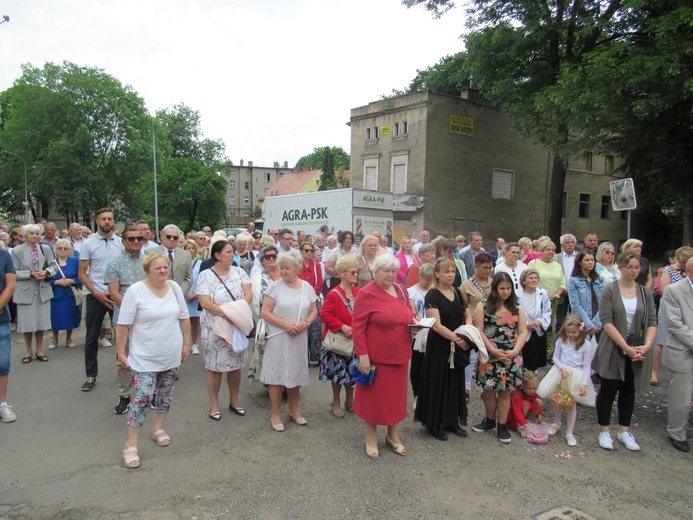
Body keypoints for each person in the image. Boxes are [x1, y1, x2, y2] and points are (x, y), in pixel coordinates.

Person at [117, 252, 191, 469]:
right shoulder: (135, 291)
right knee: (143, 397)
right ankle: (130, 446)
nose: (163, 271)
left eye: (165, 267)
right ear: (147, 271)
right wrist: (121, 353)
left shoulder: (175, 288)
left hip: (170, 354)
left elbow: (184, 318)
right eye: (157, 268)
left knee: (165, 393)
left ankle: (158, 428)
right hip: (144, 356)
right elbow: (123, 325)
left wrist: (186, 345)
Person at [352, 254, 416, 459]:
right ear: (375, 272)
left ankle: (392, 435)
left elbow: (407, 314)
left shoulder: (400, 290)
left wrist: (416, 321)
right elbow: (357, 327)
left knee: (396, 400)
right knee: (373, 400)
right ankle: (371, 437)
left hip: (400, 355)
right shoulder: (366, 293)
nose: (390, 275)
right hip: (376, 358)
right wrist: (363, 355)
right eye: (386, 271)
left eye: (393, 271)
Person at [592, 251, 657, 451]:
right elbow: (607, 321)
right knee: (608, 390)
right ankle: (604, 431)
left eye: (637, 267)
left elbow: (653, 321)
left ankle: (624, 431)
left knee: (629, 390)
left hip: (637, 347)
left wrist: (645, 345)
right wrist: (626, 347)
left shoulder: (644, 293)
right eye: (630, 267)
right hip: (614, 346)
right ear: (620, 267)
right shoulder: (610, 290)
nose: (634, 271)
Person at [415, 259, 472, 440]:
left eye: (453, 272)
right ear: (437, 274)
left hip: (457, 342)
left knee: (454, 382)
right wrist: (457, 338)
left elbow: (467, 313)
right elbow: (436, 325)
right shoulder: (432, 295)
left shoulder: (457, 291)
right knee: (438, 382)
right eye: (446, 272)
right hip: (440, 345)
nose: (450, 275)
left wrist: (467, 334)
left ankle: (452, 421)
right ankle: (435, 423)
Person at [260, 253, 318, 432]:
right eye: (281, 267)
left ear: (297, 269)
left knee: (295, 374)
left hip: (299, 336)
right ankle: (276, 414)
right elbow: (265, 312)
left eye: (287, 268)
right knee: (276, 376)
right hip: (279, 337)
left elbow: (314, 310)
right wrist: (285, 325)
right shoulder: (274, 287)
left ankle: (293, 410)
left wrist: (305, 324)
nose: (283, 271)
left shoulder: (307, 287)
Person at [197, 239, 252, 421]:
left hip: (235, 326)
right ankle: (214, 404)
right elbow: (204, 302)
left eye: (232, 251)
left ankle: (234, 401)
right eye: (228, 252)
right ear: (217, 256)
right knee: (214, 367)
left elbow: (249, 294)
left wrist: (236, 313)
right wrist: (227, 313)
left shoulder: (240, 272)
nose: (232, 255)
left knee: (235, 366)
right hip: (214, 327)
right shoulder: (205, 275)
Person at [472, 272, 528, 443]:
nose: (505, 292)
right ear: (495, 289)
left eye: (508, 288)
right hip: (490, 356)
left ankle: (501, 425)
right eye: (502, 288)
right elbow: (479, 330)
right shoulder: (483, 306)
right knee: (488, 392)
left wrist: (515, 351)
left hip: (511, 357)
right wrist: (492, 351)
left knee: (505, 392)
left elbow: (523, 331)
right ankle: (489, 420)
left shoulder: (517, 308)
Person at [78, 208, 124, 391]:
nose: (107, 221)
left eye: (110, 219)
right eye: (103, 219)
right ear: (97, 221)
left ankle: (123, 370)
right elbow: (81, 273)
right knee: (91, 337)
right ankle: (91, 375)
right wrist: (95, 292)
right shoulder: (88, 244)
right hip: (96, 295)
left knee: (123, 335)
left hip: (117, 295)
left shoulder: (121, 243)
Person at [105, 227, 146, 415]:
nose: (136, 242)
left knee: (148, 355)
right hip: (124, 318)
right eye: (131, 239)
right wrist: (132, 310)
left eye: (139, 238)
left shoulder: (150, 261)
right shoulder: (115, 263)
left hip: (148, 317)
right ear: (123, 241)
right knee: (123, 357)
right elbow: (114, 292)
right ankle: (124, 395)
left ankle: (147, 393)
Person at [537, 314, 596, 447]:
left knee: (571, 404)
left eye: (574, 332)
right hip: (560, 372)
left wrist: (584, 384)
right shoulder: (561, 341)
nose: (570, 335)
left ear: (581, 330)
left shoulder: (586, 345)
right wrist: (561, 367)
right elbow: (556, 357)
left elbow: (587, 365)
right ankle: (556, 422)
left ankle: (569, 432)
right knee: (557, 399)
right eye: (568, 332)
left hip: (576, 375)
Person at [319, 256, 360, 418]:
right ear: (342, 274)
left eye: (357, 272)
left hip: (355, 340)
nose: (356, 275)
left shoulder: (358, 292)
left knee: (352, 371)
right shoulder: (334, 294)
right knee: (337, 373)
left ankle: (350, 401)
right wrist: (342, 327)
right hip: (338, 340)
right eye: (352, 272)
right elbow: (325, 315)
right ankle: (335, 401)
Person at [11, 224, 57, 364]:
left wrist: (46, 272)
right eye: (32, 233)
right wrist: (29, 274)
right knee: (27, 323)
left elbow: (54, 265)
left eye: (37, 234)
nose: (35, 236)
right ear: (25, 235)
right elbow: (13, 271)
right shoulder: (17, 251)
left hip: (42, 290)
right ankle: (28, 350)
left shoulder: (45, 248)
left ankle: (39, 350)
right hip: (26, 290)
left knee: (40, 322)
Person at [661, 256, 693, 452]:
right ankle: (677, 432)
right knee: (681, 397)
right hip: (683, 351)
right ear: (689, 271)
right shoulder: (674, 291)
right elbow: (674, 324)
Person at [651, 246, 693, 386]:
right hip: (669, 307)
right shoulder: (668, 270)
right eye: (682, 260)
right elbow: (664, 291)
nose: (683, 263)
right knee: (662, 340)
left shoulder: (689, 272)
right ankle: (655, 372)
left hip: (687, 309)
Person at [460, 252, 494, 394]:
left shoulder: (494, 283)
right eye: (484, 267)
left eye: (490, 268)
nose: (487, 271)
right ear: (476, 266)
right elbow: (463, 306)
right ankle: (466, 386)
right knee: (473, 357)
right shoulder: (466, 285)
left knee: (487, 356)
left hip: (491, 325)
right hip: (474, 325)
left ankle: (484, 386)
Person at [248, 245, 281, 382]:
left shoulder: (286, 274)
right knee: (269, 354)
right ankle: (272, 382)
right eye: (268, 257)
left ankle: (287, 384)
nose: (272, 259)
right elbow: (254, 302)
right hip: (267, 322)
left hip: (288, 320)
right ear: (263, 260)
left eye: (274, 256)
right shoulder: (257, 279)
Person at [407, 263, 434, 411]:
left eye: (431, 279)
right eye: (426, 279)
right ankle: (417, 394)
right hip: (419, 332)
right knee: (417, 364)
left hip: (434, 331)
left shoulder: (435, 291)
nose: (428, 282)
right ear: (419, 276)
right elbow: (412, 311)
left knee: (431, 364)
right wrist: (421, 322)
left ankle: (429, 394)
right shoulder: (411, 292)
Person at [529, 240, 566, 338]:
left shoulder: (557, 265)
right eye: (548, 250)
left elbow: (562, 283)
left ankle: (549, 350)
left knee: (550, 325)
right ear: (541, 250)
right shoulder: (534, 263)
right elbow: (529, 280)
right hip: (537, 298)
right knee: (536, 323)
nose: (551, 252)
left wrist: (557, 295)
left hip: (554, 300)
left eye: (553, 250)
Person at [48, 239, 81, 349]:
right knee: (55, 317)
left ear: (69, 250)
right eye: (60, 248)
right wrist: (56, 282)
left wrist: (71, 281)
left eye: (65, 248)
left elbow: (80, 277)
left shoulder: (75, 262)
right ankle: (54, 339)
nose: (62, 250)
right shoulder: (51, 262)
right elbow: (46, 279)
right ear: (56, 250)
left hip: (69, 294)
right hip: (55, 294)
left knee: (70, 316)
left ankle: (69, 338)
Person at [517, 269, 552, 371]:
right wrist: (526, 324)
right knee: (524, 359)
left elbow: (547, 311)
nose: (534, 280)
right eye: (531, 278)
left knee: (536, 360)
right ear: (523, 281)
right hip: (523, 331)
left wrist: (539, 322)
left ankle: (533, 380)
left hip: (538, 330)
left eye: (536, 278)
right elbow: (514, 312)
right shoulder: (517, 294)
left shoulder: (542, 293)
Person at [567, 250, 605, 339]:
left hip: (599, 321)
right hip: (581, 322)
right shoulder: (573, 280)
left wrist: (596, 323)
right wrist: (589, 325)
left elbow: (604, 303)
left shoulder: (600, 279)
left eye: (592, 260)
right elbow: (575, 305)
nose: (590, 262)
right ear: (580, 262)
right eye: (587, 260)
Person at [296, 241, 323, 364]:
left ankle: (316, 356)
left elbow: (320, 283)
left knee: (316, 328)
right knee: (302, 328)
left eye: (311, 251)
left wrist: (311, 295)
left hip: (314, 300)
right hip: (299, 301)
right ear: (301, 251)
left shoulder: (317, 266)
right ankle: (302, 357)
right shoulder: (297, 265)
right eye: (306, 250)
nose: (309, 253)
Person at [148, 225, 193, 296]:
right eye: (169, 237)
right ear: (162, 237)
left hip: (179, 296)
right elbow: (147, 275)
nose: (172, 239)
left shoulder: (186, 255)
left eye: (175, 238)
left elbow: (189, 278)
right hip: (157, 295)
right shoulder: (150, 253)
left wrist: (179, 293)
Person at [0, 245, 17, 423]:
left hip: (1, 318)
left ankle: (2, 405)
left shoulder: (4, 256)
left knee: (2, 364)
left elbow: (10, 285)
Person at [181, 239, 202, 355]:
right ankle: (184, 343)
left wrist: (196, 293)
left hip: (196, 294)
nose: (191, 250)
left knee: (195, 321)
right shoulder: (181, 263)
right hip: (184, 294)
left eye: (193, 248)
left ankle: (194, 344)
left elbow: (202, 279)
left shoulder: (200, 264)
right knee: (183, 320)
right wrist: (186, 293)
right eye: (188, 248)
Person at [554, 234, 578, 332]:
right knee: (560, 320)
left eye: (572, 242)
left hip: (576, 292)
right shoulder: (556, 258)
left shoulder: (579, 257)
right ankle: (559, 341)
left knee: (575, 319)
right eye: (567, 242)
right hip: (562, 293)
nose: (570, 245)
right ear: (562, 244)